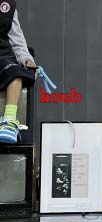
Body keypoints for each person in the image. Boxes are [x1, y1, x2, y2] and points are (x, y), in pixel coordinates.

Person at [0, 0, 37, 143]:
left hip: (2, 55)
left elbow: (17, 41)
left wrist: (27, 60)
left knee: (15, 72)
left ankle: (9, 122)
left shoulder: (7, 6)